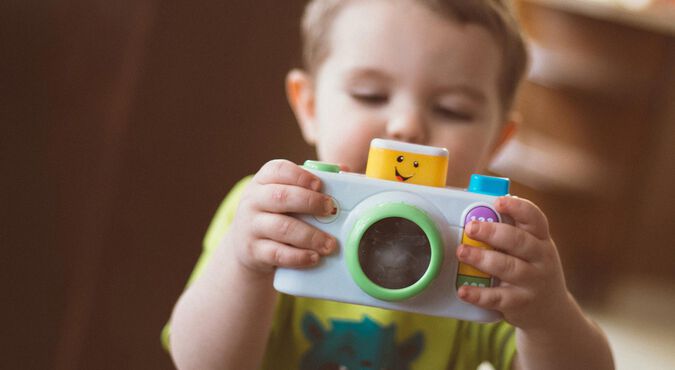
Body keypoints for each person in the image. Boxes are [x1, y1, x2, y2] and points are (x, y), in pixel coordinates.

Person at [166, 0, 615, 369]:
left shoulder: (485, 247)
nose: (406, 126)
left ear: (497, 142)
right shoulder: (274, 212)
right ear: (309, 107)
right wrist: (244, 266)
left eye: (453, 109)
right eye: (370, 96)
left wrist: (549, 315)